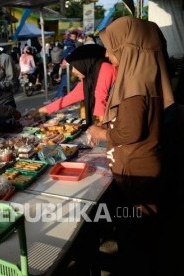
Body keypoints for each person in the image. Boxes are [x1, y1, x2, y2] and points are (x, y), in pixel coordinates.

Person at [86, 17, 175, 276]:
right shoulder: (144, 78)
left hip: (138, 174)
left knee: (137, 242)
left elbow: (130, 131)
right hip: (143, 169)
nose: (106, 53)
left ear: (129, 47)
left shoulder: (136, 85)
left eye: (111, 46)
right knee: (142, 237)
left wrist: (100, 132)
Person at [39, 44, 116, 126]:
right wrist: (42, 110)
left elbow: (101, 98)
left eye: (74, 65)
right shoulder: (90, 77)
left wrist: (101, 128)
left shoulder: (106, 68)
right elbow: (70, 97)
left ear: (83, 62)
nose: (73, 71)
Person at [54, 32, 79, 99]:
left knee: (65, 80)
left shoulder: (67, 44)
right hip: (69, 64)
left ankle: (60, 95)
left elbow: (64, 55)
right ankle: (61, 96)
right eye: (73, 36)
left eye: (75, 36)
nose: (74, 38)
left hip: (65, 64)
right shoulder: (70, 44)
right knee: (66, 80)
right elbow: (68, 54)